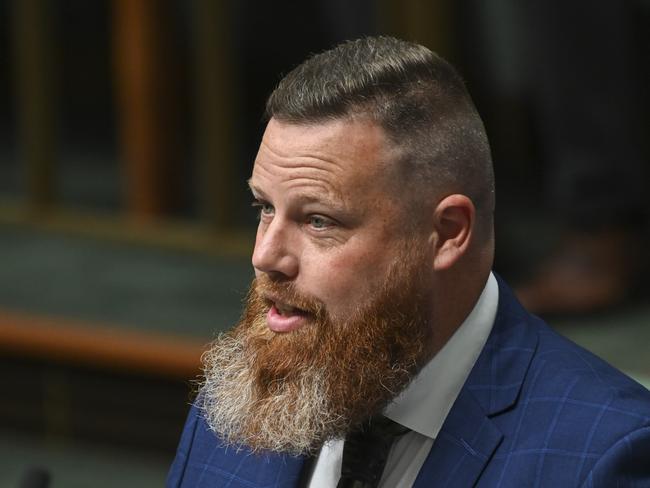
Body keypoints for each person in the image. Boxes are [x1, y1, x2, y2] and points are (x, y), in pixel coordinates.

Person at [167, 37, 650, 487]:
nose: (265, 255)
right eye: (264, 208)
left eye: (319, 222)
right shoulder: (237, 402)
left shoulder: (603, 457)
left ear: (446, 234)